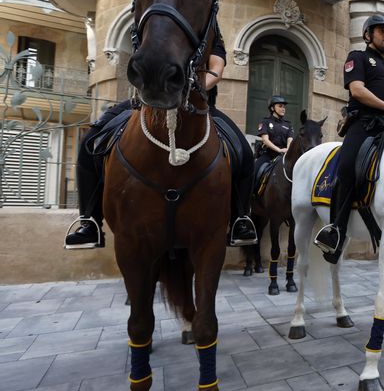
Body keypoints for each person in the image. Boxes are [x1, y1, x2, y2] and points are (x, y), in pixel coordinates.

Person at [65, 25, 257, 249]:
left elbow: (216, 69)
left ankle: (240, 219)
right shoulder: (154, 27)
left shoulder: (210, 33)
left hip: (196, 104)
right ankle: (90, 221)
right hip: (143, 102)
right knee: (90, 142)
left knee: (243, 150)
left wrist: (188, 91)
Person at [314, 15, 384, 263]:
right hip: (365, 124)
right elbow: (357, 90)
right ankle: (336, 231)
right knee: (347, 167)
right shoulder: (357, 58)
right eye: (381, 31)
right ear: (368, 34)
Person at [254, 96, 294, 182]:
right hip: (268, 155)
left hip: (283, 156)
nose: (283, 109)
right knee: (254, 171)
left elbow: (290, 139)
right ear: (272, 108)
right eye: (280, 106)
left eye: (284, 107)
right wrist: (279, 150)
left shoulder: (288, 124)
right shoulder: (265, 121)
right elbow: (265, 140)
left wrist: (288, 149)